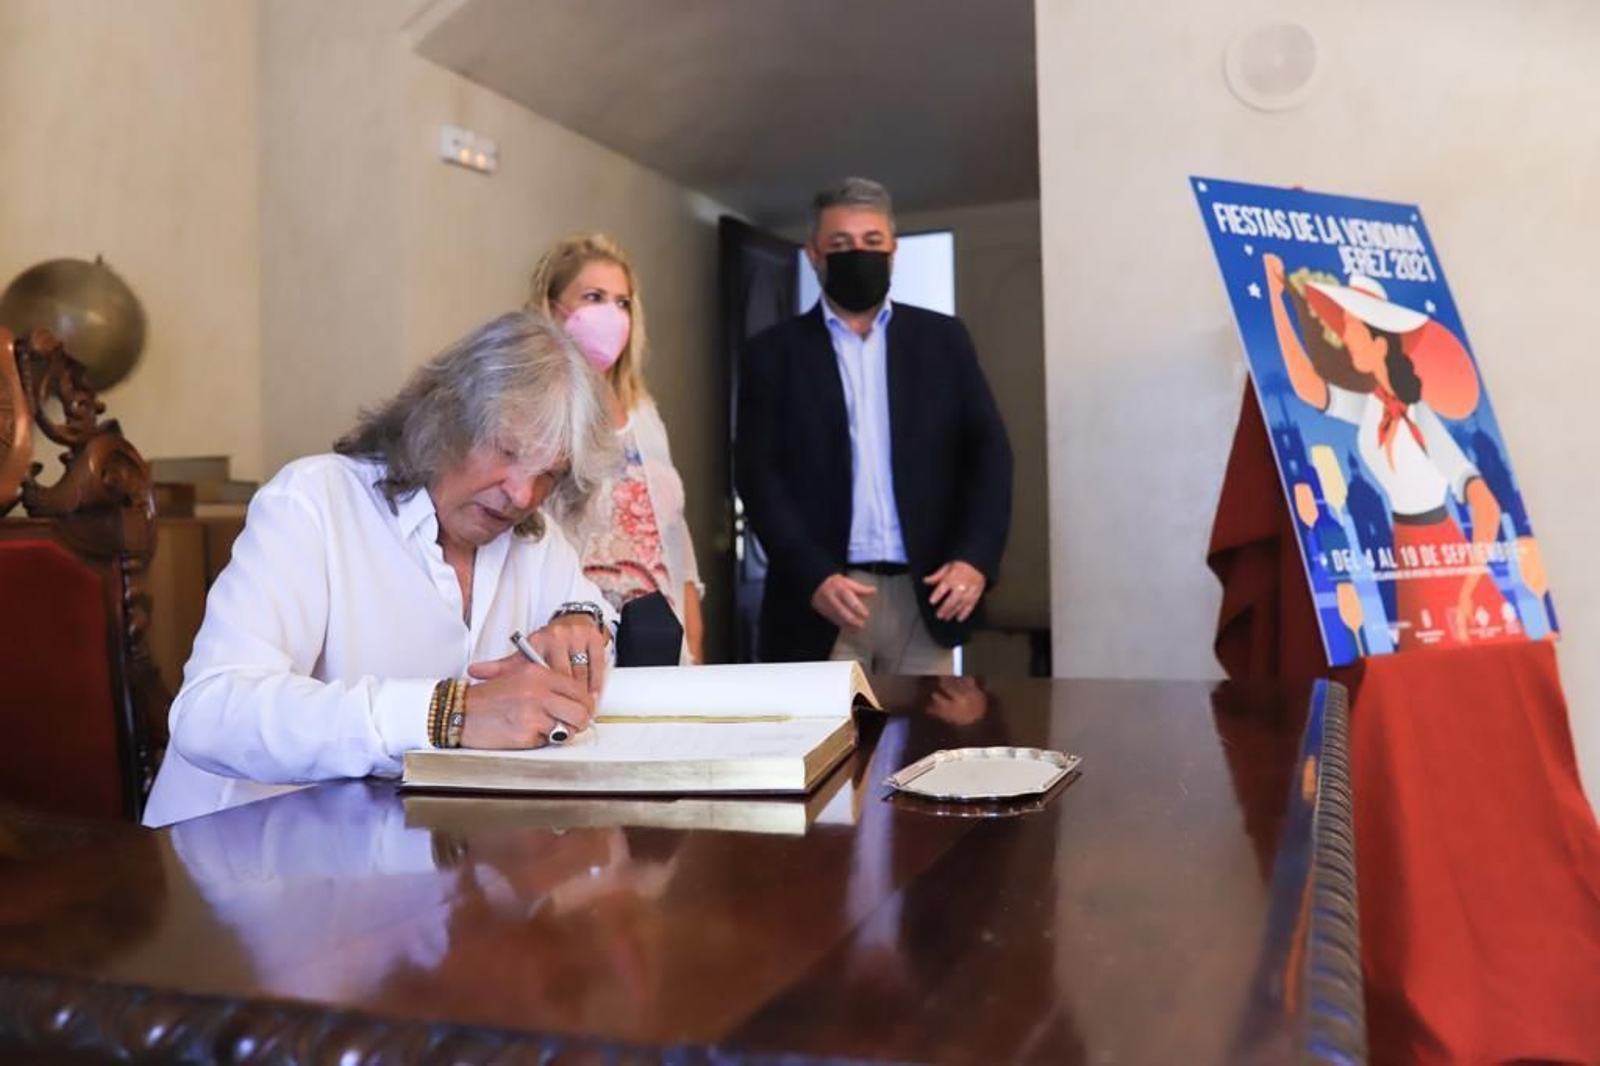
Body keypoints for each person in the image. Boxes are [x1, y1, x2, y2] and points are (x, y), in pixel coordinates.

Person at [143, 312, 621, 827]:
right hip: (235, 858)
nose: (523, 495)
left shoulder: (535, 539)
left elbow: (589, 609)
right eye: (508, 451)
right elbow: (211, 714)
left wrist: (582, 619)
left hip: (404, 862)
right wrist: (447, 714)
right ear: (448, 420)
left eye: (547, 474)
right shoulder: (313, 502)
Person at [735, 177, 1012, 673]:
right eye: (840, 244)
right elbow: (757, 474)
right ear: (815, 254)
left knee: (930, 747)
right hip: (820, 601)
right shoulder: (772, 354)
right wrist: (811, 574)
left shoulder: (944, 341)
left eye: (871, 242)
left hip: (925, 599)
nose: (856, 254)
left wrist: (975, 557)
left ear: (892, 252)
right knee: (829, 750)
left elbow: (989, 455)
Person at [1262, 253, 1510, 648]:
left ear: (1379, 342)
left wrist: (1469, 585)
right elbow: (1310, 388)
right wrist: (1275, 300)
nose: (1346, 337)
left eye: (1352, 329)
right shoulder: (1371, 405)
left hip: (1440, 550)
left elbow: (1486, 505)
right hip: (1404, 549)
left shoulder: (1420, 416)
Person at [527, 233, 704, 664]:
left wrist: (694, 640)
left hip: (663, 639)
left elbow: (674, 536)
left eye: (622, 302)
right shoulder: (535, 412)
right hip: (579, 640)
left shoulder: (643, 412)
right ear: (552, 308)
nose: (611, 313)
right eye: (594, 297)